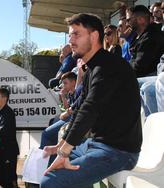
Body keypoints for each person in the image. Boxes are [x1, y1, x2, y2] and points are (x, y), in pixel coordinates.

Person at [40, 13, 142, 188]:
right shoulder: (93, 68)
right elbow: (79, 108)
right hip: (95, 144)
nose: (71, 40)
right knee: (52, 157)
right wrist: (61, 144)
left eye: (76, 34)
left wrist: (64, 151)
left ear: (94, 36)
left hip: (118, 151)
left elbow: (90, 108)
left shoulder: (108, 66)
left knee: (50, 182)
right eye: (70, 35)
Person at [40, 72, 82, 149]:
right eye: (63, 83)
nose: (63, 86)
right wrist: (63, 96)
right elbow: (67, 108)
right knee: (53, 120)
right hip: (70, 118)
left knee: (46, 134)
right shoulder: (70, 93)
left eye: (65, 83)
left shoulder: (79, 91)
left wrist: (66, 114)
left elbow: (73, 110)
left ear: (73, 82)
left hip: (75, 120)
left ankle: (45, 157)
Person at [0, 87, 19, 188]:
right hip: (3, 151)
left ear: (4, 98)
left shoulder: (8, 113)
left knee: (9, 181)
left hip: (9, 153)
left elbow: (1, 131)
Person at [127, 5, 164, 77]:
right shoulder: (138, 38)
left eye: (129, 20)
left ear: (141, 20)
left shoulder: (152, 36)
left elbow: (139, 68)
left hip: (152, 78)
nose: (127, 23)